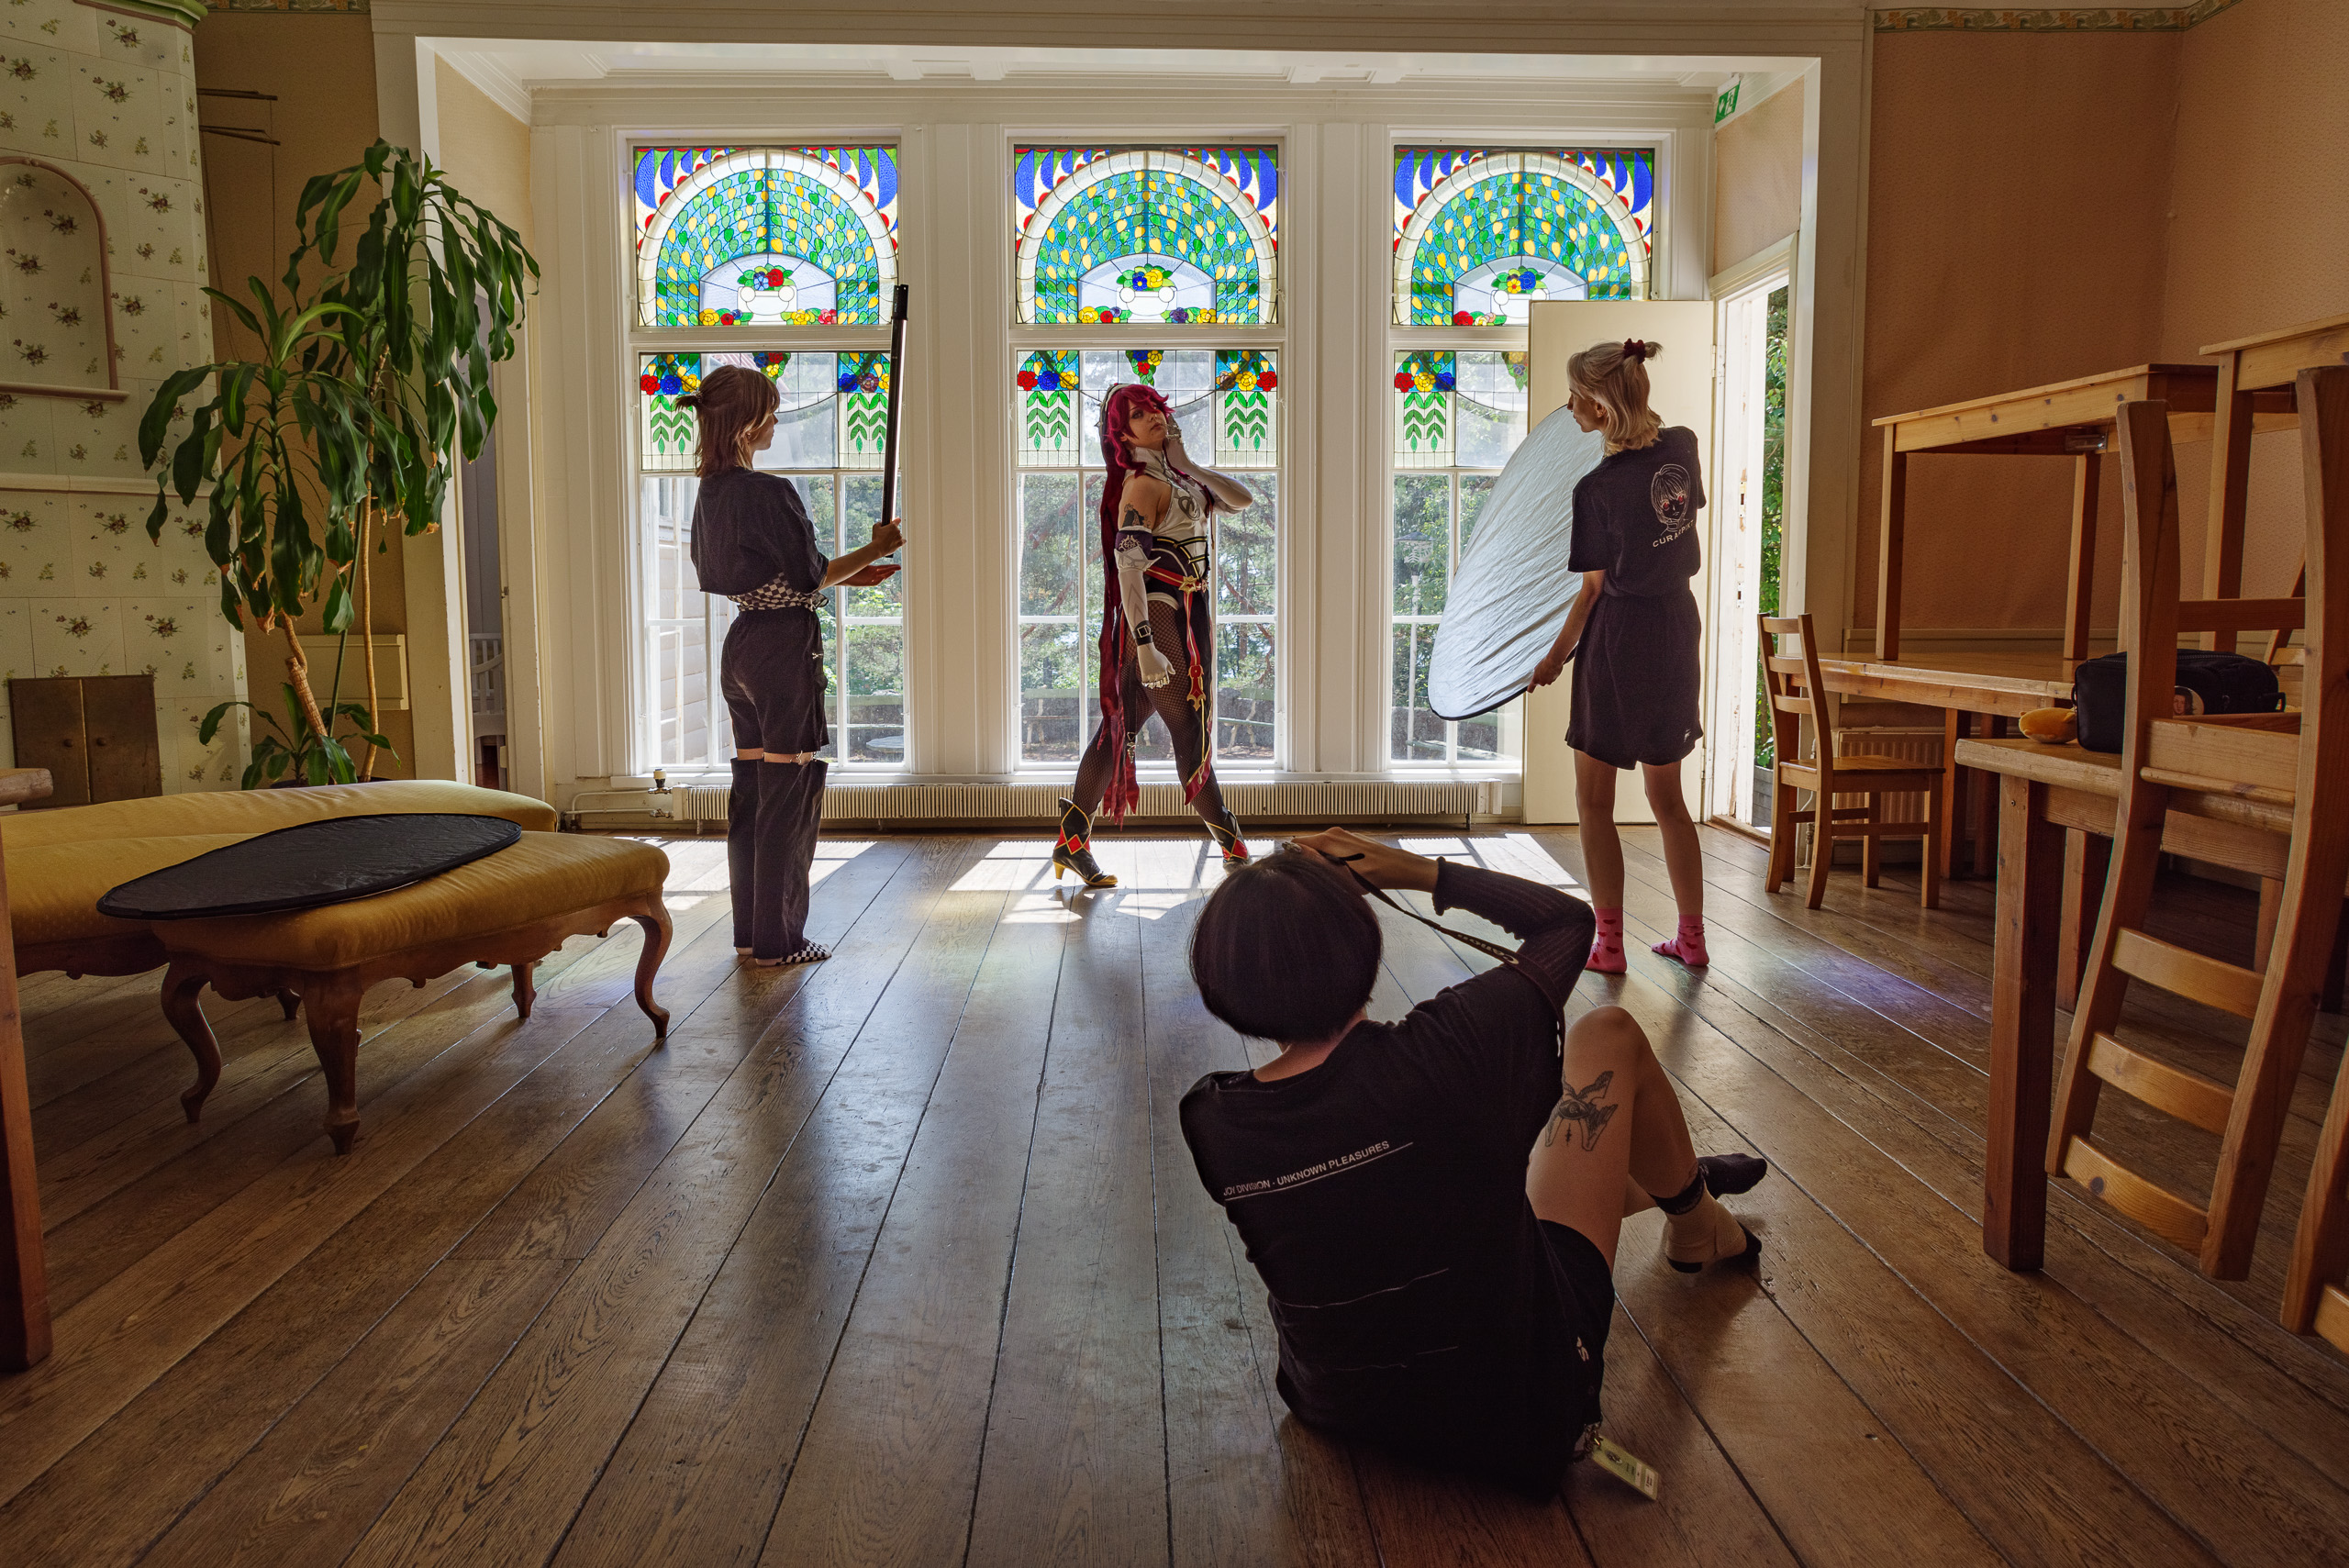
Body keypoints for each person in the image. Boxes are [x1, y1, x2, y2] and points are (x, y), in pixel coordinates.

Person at [1179, 828, 1764, 1496]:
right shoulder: (1449, 1051)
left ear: (1221, 986)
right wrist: (1415, 870)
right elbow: (1568, 923)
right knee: (1608, 1034)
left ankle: (1690, 1200)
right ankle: (1692, 1211)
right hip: (1525, 1415)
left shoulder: (1211, 1119)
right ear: (1363, 943)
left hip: (1336, 1405)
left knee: (1457, 1178)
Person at [684, 363, 904, 965]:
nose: (777, 421)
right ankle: (780, 942)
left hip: (742, 647)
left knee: (753, 790)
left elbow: (770, 576)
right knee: (788, 792)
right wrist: (876, 547)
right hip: (783, 650)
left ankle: (751, 935)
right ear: (747, 423)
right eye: (771, 412)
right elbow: (809, 575)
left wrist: (851, 574)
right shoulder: (768, 491)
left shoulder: (710, 492)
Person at [1530, 339, 1709, 973]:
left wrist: (1553, 660)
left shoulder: (1597, 489)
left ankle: (1609, 946)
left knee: (1594, 803)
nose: (1569, 406)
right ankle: (1693, 939)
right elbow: (1675, 521)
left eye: (1576, 396)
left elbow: (1591, 593)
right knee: (1669, 799)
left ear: (1601, 407)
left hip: (1618, 639)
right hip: (1676, 629)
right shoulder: (1683, 446)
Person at [1052, 384, 1256, 886]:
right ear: (1122, 433)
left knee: (1119, 728)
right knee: (1187, 729)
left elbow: (1242, 500)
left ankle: (1071, 841)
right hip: (1163, 615)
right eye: (1139, 416)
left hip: (1188, 612)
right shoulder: (1142, 484)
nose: (1154, 418)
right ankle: (1235, 848)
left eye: (1155, 409)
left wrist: (1188, 462)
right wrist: (1144, 645)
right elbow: (1129, 570)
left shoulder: (1178, 475)